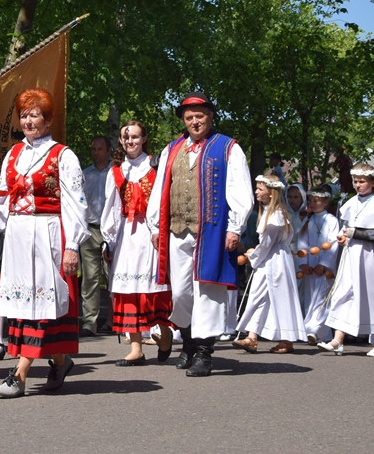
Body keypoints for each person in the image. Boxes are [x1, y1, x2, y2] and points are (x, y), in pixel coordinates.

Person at [0, 88, 87, 397]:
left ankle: (19, 374)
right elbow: (1, 198)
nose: (28, 121)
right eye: (24, 115)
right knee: (27, 303)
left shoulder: (62, 155)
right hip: (17, 236)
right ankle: (61, 362)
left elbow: (76, 203)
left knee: (43, 303)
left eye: (35, 115)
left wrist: (72, 245)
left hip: (48, 234)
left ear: (48, 120)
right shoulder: (14, 154)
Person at [146, 91, 254, 377]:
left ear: (210, 116)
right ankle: (189, 342)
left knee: (207, 291)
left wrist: (235, 227)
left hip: (212, 231)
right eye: (189, 117)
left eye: (199, 116)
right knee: (181, 292)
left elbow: (241, 190)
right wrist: (155, 226)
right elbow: (160, 188)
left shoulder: (228, 147)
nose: (194, 122)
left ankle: (204, 353)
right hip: (177, 230)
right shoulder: (172, 149)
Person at [100, 120, 172, 365]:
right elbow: (111, 207)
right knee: (127, 289)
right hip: (126, 234)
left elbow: (163, 202)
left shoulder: (156, 165)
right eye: (126, 137)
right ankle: (136, 348)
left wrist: (159, 230)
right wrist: (109, 240)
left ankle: (165, 333)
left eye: (135, 137)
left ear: (144, 139)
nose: (130, 141)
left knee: (153, 287)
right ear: (121, 141)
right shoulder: (116, 171)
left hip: (150, 233)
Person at [319, 163, 374, 357]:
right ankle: (337, 339)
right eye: (355, 181)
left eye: (362, 181)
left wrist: (354, 233)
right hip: (352, 254)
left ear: (372, 182)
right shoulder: (352, 203)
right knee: (345, 293)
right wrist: (344, 236)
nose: (358, 185)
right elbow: (348, 227)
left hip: (372, 256)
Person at [232, 174, 306, 353]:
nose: (256, 192)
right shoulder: (268, 212)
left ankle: (286, 339)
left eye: (260, 189)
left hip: (274, 260)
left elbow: (267, 244)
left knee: (280, 296)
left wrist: (252, 257)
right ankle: (252, 337)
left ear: (271, 193)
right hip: (270, 258)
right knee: (259, 296)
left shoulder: (276, 216)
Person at [297, 184, 340, 345]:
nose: (313, 204)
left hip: (323, 268)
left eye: (316, 201)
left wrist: (324, 263)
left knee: (322, 298)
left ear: (325, 202)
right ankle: (315, 331)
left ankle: (314, 330)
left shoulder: (331, 220)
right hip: (310, 266)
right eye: (311, 201)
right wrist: (303, 263)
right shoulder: (308, 220)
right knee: (310, 298)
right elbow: (302, 242)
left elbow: (333, 243)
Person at [80, 135, 112, 336]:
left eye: (100, 149)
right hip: (90, 230)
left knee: (112, 277)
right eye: (93, 149)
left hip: (111, 231)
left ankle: (113, 320)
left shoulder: (116, 173)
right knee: (89, 279)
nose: (96, 153)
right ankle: (89, 323)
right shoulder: (85, 174)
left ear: (108, 150)